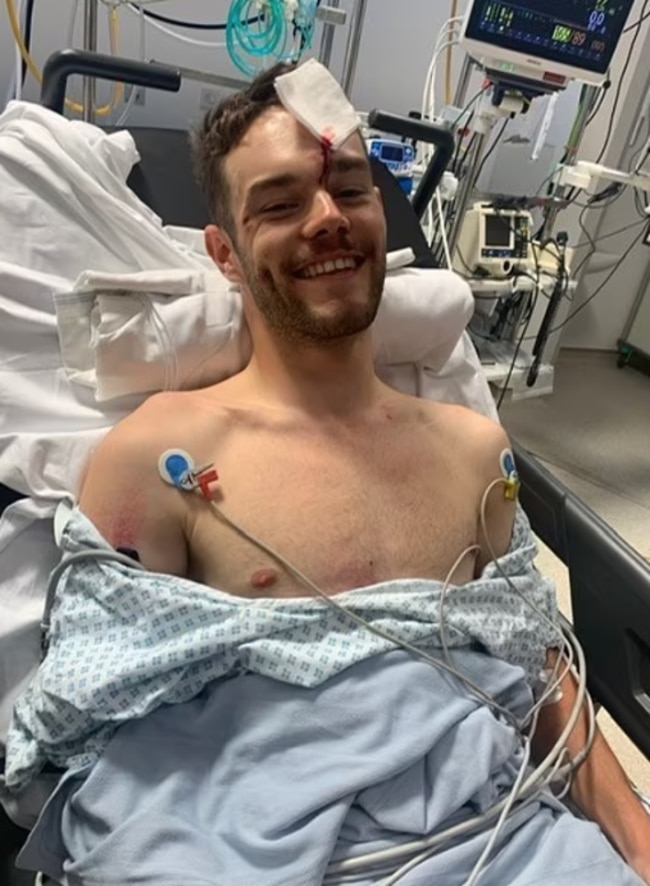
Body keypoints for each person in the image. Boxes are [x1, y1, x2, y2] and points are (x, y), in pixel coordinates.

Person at [77, 62, 650, 882]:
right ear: (225, 255)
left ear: (382, 214)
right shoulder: (160, 457)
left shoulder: (471, 448)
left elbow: (538, 662)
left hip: (507, 841)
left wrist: (635, 838)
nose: (327, 220)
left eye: (350, 189)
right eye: (278, 203)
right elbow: (111, 732)